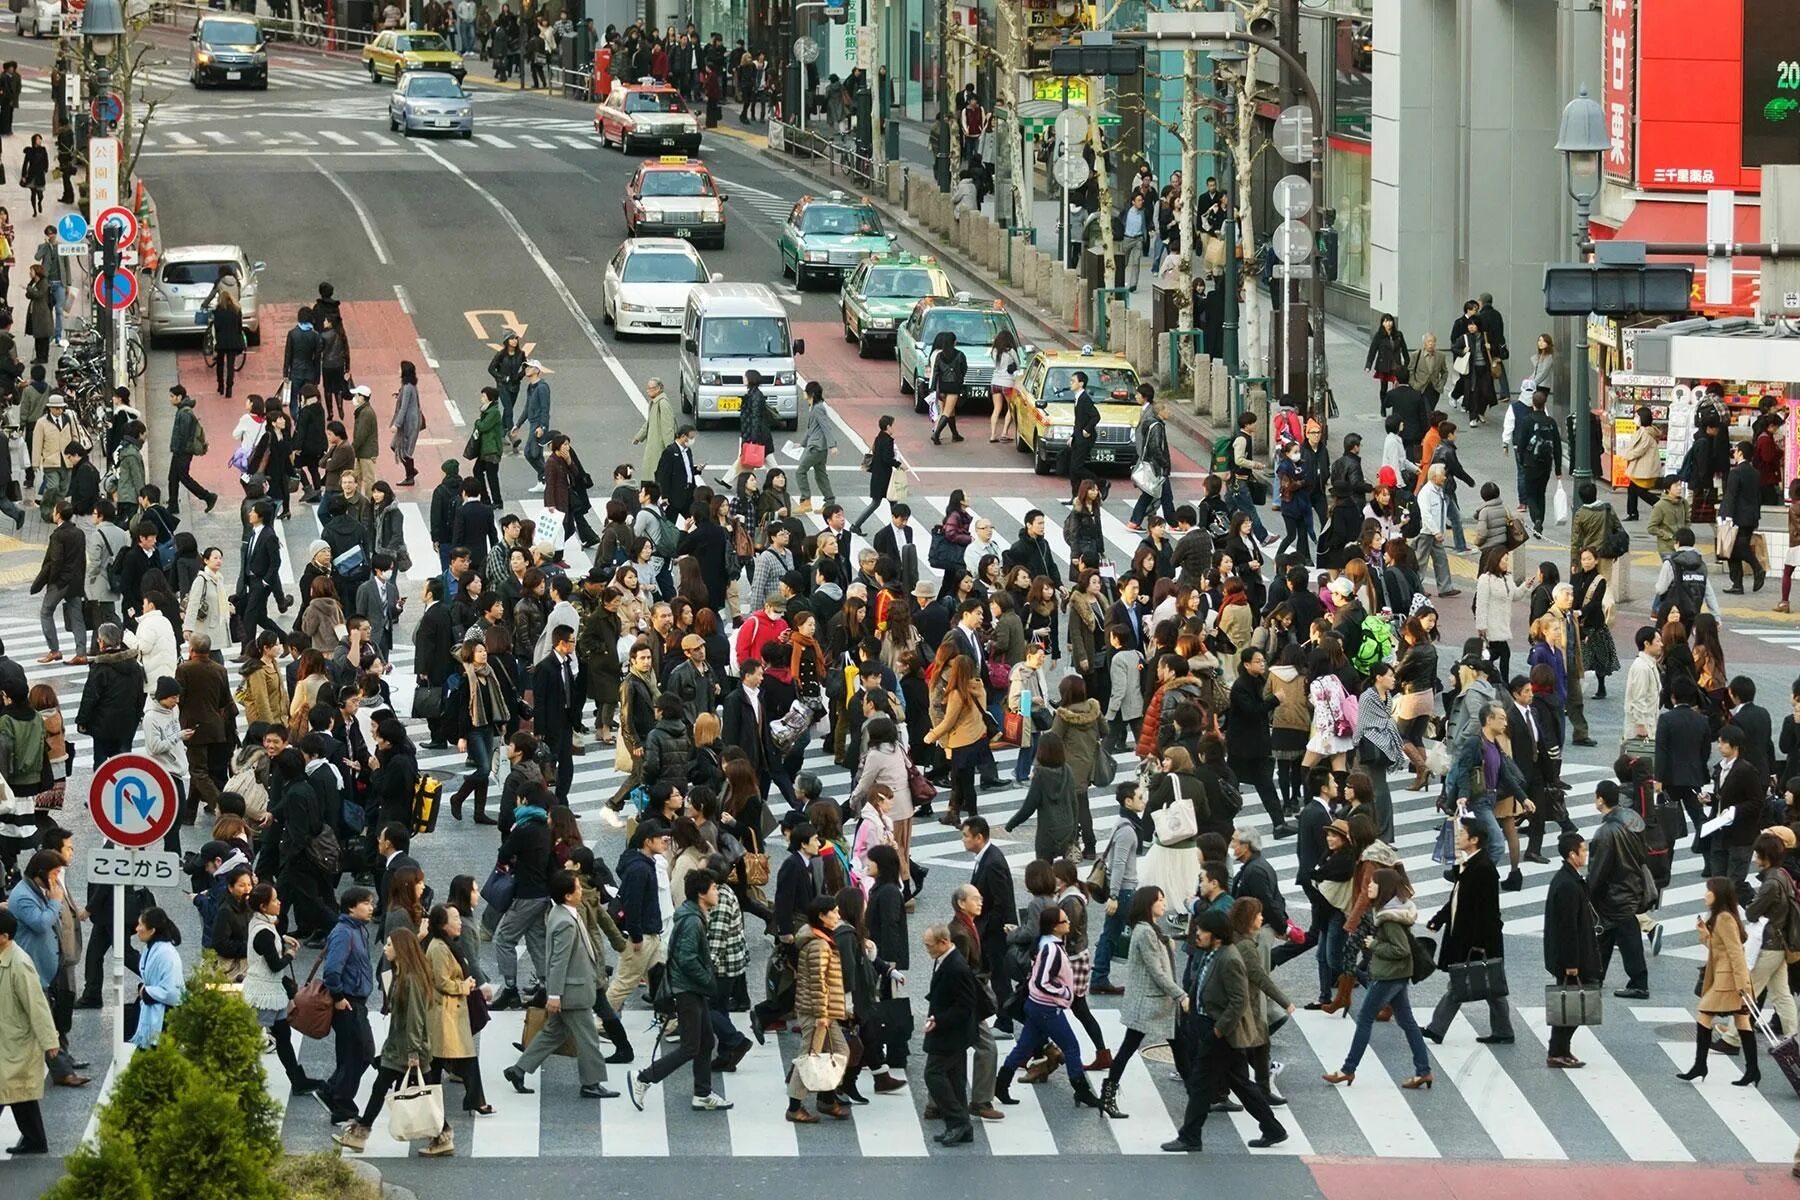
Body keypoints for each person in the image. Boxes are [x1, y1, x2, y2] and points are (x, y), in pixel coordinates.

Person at [1163, 909, 1287, 1153]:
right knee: (1240, 1083)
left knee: (1200, 1084)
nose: (1196, 934)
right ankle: (1272, 1128)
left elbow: (1239, 1000)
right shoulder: (1212, 953)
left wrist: (1218, 1031)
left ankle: (1190, 1136)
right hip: (1209, 1028)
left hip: (1220, 1033)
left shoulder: (1229, 958)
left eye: (1202, 930)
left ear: (1216, 935)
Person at [503, 869, 618, 1100]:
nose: (581, 890)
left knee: (553, 1033)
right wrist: (554, 995)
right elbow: (558, 960)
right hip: (572, 991)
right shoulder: (565, 921)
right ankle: (591, 1083)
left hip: (570, 989)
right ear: (567, 895)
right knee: (588, 1038)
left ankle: (518, 1070)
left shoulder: (562, 913)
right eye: (577, 887)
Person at [628, 868, 734, 1112]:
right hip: (687, 989)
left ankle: (702, 1093)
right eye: (714, 888)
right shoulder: (692, 921)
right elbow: (686, 959)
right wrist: (708, 979)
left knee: (706, 1041)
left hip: (690, 988)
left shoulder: (693, 915)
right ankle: (644, 1077)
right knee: (690, 1046)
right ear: (701, 893)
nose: (717, 892)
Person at [1321, 868, 1432, 1090]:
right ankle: (1424, 1071)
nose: (1368, 887)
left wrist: (1374, 945)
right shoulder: (1390, 911)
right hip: (1398, 975)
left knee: (1364, 1020)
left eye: (1373, 883)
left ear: (1384, 888)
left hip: (1388, 976)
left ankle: (1348, 1069)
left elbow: (1400, 949)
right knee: (1407, 1022)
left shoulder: (1388, 919)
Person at [1098, 885, 1184, 1118]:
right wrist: (1180, 995)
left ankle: (1201, 1095)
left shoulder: (1151, 929)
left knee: (1180, 1048)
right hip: (1148, 1004)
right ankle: (1107, 1096)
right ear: (1148, 905)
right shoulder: (1145, 932)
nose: (1164, 903)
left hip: (1155, 1003)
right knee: (1128, 1049)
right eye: (1159, 900)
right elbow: (1157, 972)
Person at [1675, 876, 1757, 1086]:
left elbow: (1736, 952)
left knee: (1704, 1014)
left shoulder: (1724, 918)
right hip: (1727, 977)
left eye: (1708, 891)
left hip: (1728, 979)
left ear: (1718, 894)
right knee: (1742, 1019)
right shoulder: (1722, 917)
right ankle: (1752, 1070)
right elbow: (1718, 947)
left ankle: (1700, 1065)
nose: (1705, 894)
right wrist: (1703, 933)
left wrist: (1743, 984)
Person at [0, 907, 57, 1155]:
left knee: (15, 1090)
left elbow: (37, 1006)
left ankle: (35, 1140)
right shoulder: (5, 958)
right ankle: (35, 1139)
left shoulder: (19, 963)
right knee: (18, 1093)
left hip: (16, 1040)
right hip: (8, 1039)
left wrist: (50, 1041)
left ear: (4, 936)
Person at [1587, 780, 1651, 999]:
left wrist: (1588, 893)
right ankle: (1596, 976)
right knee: (1607, 934)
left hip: (1614, 892)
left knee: (1626, 936)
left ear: (1600, 799)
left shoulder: (1605, 833)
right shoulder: (1633, 819)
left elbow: (1598, 870)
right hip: (1632, 885)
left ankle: (1639, 982)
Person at [921, 922, 978, 1146]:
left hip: (951, 1032)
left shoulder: (957, 967)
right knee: (955, 1079)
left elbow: (966, 1005)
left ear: (944, 942)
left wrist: (939, 1020)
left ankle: (958, 1121)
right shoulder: (944, 959)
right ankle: (962, 1127)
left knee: (933, 1074)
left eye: (929, 946)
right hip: (950, 1030)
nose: (928, 950)